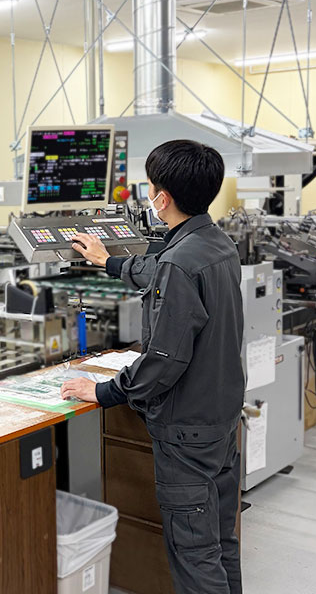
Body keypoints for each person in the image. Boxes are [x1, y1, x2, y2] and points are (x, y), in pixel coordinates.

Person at [61, 140, 245, 594]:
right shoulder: (216, 244)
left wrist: (102, 391)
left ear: (161, 199)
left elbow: (163, 362)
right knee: (221, 542)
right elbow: (160, 270)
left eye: (149, 186)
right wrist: (109, 261)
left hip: (186, 435)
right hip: (221, 422)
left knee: (195, 555)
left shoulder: (180, 263)